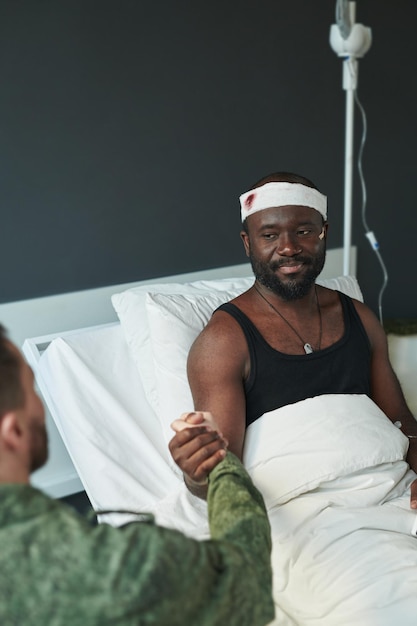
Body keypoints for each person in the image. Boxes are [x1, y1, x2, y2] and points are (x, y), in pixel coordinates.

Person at [169, 171, 417, 504]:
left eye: (303, 231)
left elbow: (402, 423)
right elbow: (219, 479)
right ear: (248, 243)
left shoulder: (361, 318)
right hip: (305, 515)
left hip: (395, 491)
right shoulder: (224, 341)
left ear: (323, 234)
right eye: (269, 235)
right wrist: (196, 473)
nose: (288, 247)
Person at [0, 324, 275, 626]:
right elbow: (243, 584)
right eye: (31, 389)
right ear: (13, 431)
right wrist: (221, 462)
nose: (39, 406)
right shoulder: (102, 564)